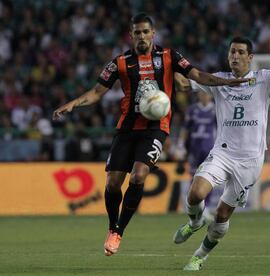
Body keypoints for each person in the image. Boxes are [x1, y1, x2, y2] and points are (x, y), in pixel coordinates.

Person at [52, 13, 245, 257]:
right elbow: (97, 91)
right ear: (131, 35)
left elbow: (197, 75)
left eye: (146, 32)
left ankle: (119, 231)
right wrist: (74, 103)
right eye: (137, 32)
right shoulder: (120, 62)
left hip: (156, 127)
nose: (142, 36)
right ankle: (112, 227)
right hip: (127, 128)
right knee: (112, 183)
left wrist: (225, 82)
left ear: (153, 33)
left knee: (139, 175)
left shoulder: (169, 56)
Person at [173, 26, 270, 271]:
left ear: (250, 57)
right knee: (195, 194)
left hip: (250, 161)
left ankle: (199, 256)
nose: (234, 56)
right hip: (222, 153)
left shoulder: (264, 78)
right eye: (232, 51)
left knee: (222, 216)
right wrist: (169, 63)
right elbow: (182, 84)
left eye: (240, 52)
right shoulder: (217, 80)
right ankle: (195, 221)